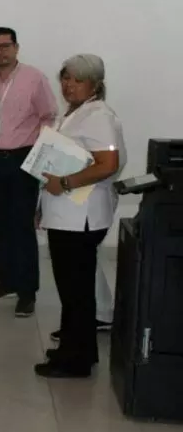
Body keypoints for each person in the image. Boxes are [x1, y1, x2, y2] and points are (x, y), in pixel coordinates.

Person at [35, 54, 126, 379]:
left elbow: (108, 164)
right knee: (73, 289)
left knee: (76, 290)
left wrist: (65, 183)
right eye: (65, 78)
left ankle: (75, 361)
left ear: (95, 84)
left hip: (80, 217)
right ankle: (76, 348)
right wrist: (42, 205)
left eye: (77, 80)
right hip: (66, 215)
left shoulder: (98, 115)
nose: (69, 85)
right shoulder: (76, 113)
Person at [0, 27, 58, 317]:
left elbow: (48, 117)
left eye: (4, 46)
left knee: (22, 226)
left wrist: (40, 159)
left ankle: (27, 291)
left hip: (23, 158)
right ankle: (6, 281)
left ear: (16, 47)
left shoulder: (34, 78)